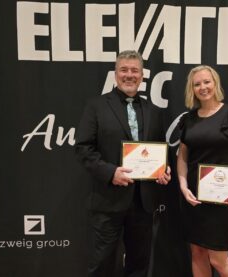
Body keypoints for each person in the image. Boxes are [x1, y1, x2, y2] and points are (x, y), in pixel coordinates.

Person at [75, 50, 171, 277]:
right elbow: (83, 148)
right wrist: (111, 173)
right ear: (115, 74)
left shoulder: (153, 110)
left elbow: (160, 149)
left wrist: (163, 169)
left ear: (142, 75)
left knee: (139, 265)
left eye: (134, 70)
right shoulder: (96, 106)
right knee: (102, 264)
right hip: (109, 199)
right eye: (124, 70)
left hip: (143, 201)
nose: (129, 75)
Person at [177, 65, 228, 277]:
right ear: (192, 88)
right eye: (197, 84)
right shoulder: (188, 120)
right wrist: (183, 186)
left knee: (218, 260)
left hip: (222, 196)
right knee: (197, 252)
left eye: (207, 82)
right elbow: (182, 157)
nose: (203, 87)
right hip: (193, 197)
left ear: (215, 83)